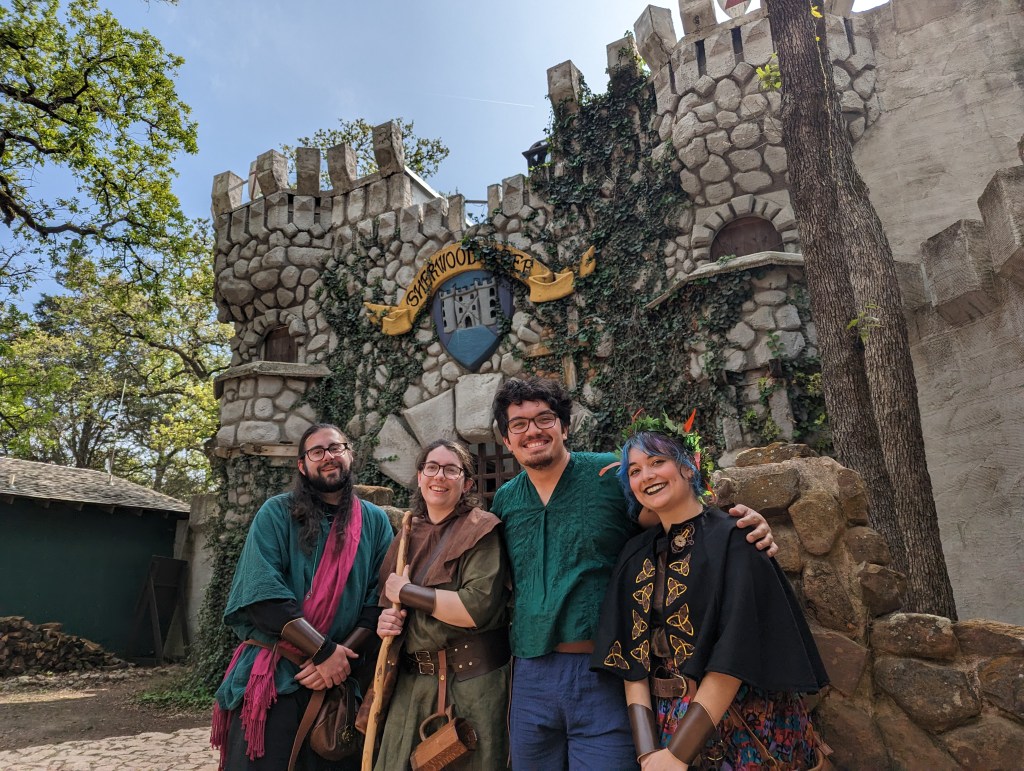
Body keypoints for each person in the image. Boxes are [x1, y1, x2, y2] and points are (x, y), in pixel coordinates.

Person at [489, 377, 777, 770]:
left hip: (605, 670)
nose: (533, 431)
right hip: (529, 675)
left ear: (565, 426)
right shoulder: (505, 500)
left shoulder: (610, 476)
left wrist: (745, 524)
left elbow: (676, 514)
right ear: (506, 440)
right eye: (518, 424)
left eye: (544, 418)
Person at [592, 419, 830, 770]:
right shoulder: (634, 555)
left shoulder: (738, 539)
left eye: (658, 462)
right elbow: (632, 662)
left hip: (744, 721)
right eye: (635, 470)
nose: (647, 476)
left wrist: (676, 754)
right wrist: (649, 754)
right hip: (666, 722)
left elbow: (735, 650)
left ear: (689, 467)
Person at [211, 423, 394, 771]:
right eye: (317, 452)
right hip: (275, 677)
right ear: (302, 465)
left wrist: (339, 663)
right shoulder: (276, 513)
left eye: (336, 448)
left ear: (350, 454)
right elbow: (262, 597)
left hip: (338, 686)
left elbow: (379, 603)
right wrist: (325, 652)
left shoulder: (375, 523)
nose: (328, 457)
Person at [374, 439, 511, 770]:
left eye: (452, 469)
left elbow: (474, 608)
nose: (440, 477)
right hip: (411, 686)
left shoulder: (482, 529)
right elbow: (389, 608)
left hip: (472, 686)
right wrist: (386, 623)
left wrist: (407, 592)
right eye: (431, 468)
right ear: (420, 477)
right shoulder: (407, 533)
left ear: (466, 483)